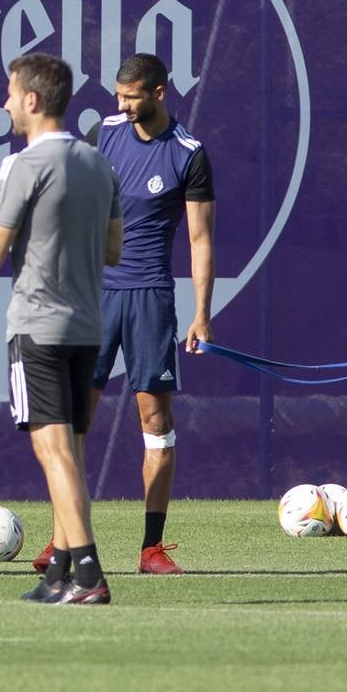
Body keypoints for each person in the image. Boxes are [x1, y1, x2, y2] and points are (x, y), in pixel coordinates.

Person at [29, 52, 214, 577]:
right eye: (118, 95)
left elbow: (201, 240)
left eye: (132, 96)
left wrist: (202, 312)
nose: (122, 104)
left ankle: (151, 548)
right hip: (93, 296)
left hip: (150, 298)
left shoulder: (189, 153)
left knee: (155, 421)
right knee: (75, 420)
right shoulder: (103, 133)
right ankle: (63, 541)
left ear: (159, 94)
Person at [0, 53, 123, 604]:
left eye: (11, 94)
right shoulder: (98, 163)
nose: (6, 103)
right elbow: (113, 249)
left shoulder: (22, 166)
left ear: (33, 100)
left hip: (37, 325)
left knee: (54, 452)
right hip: (87, 325)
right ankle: (60, 571)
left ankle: (87, 574)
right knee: (73, 452)